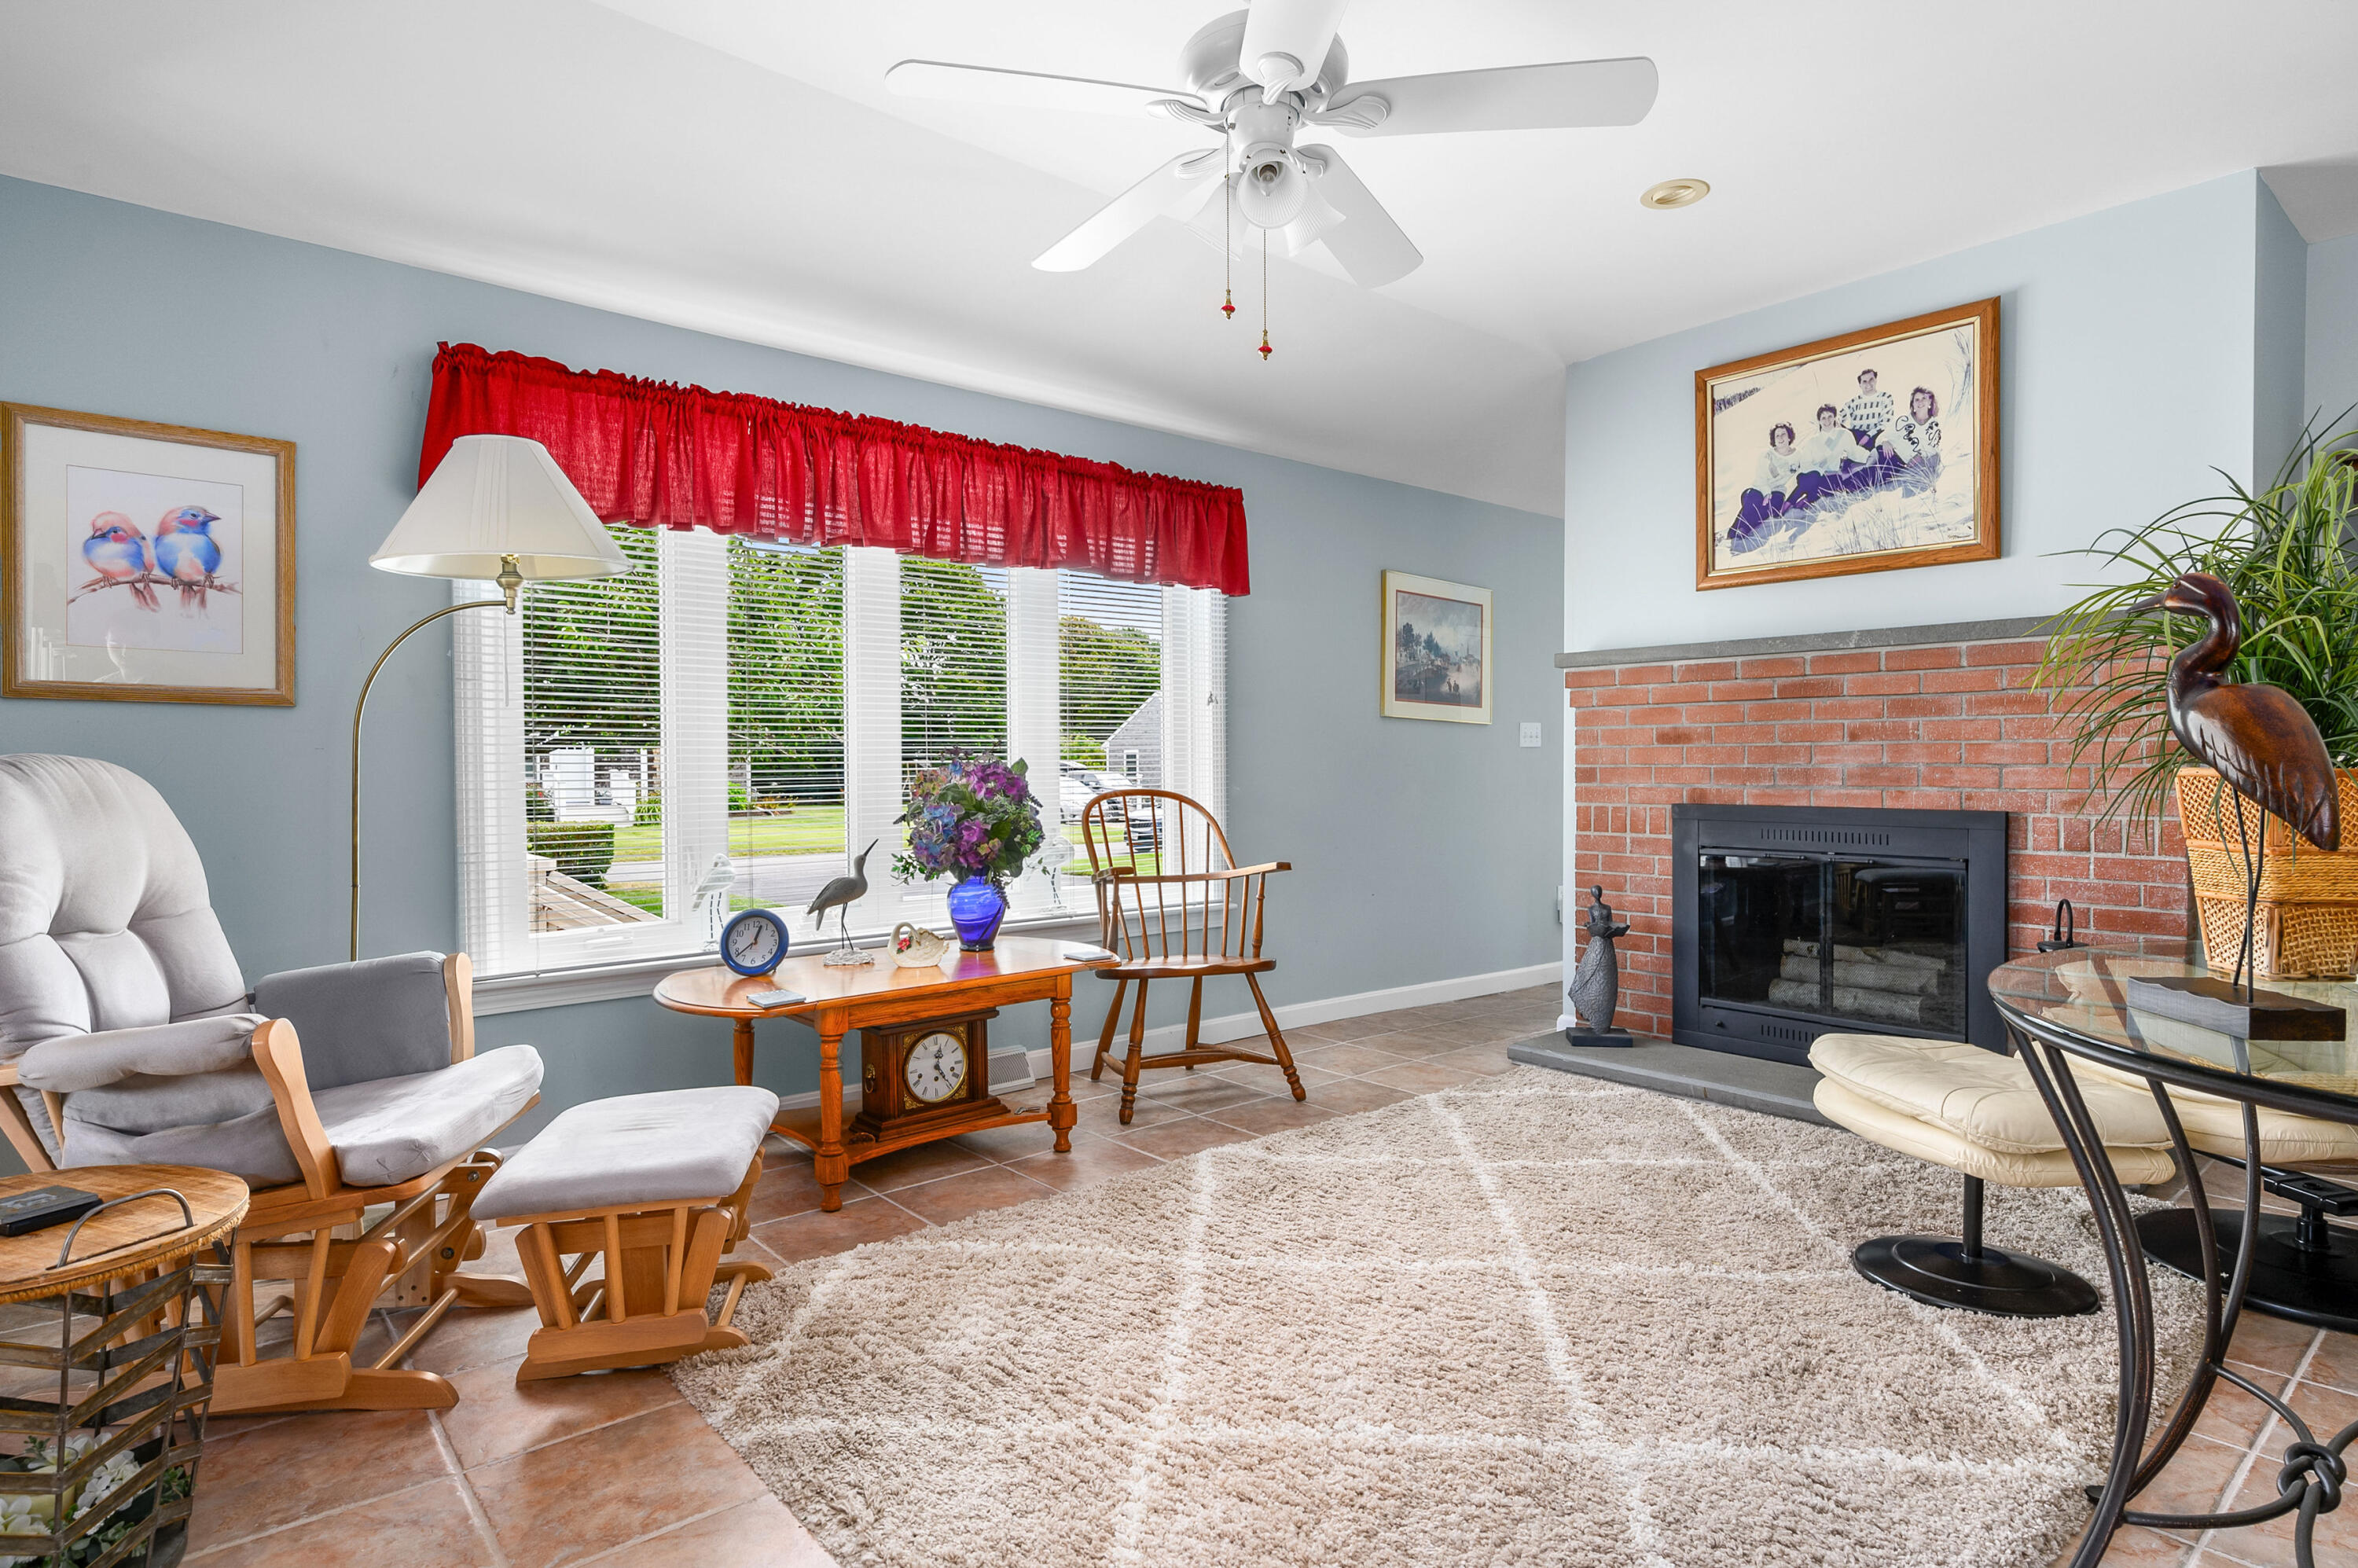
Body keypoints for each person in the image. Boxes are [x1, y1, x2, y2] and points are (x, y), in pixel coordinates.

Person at [1729, 423, 1805, 553]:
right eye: (1777, 436)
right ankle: (1742, 529)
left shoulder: (1798, 455)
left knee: (1774, 507)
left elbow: (1800, 475)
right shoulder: (1766, 455)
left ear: (1789, 437)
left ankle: (1739, 528)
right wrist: (1766, 493)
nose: (1780, 438)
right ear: (1774, 440)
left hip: (1778, 491)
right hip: (1759, 489)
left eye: (1783, 434)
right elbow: (1760, 478)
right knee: (1753, 500)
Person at [1839, 368, 1902, 489]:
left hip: (1876, 434)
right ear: (1860, 384)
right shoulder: (1854, 402)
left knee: (1879, 456)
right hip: (1856, 435)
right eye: (1864, 381)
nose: (1868, 384)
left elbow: (1886, 422)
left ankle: (1861, 478)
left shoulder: (1885, 397)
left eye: (1871, 380)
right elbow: (1840, 416)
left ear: (1876, 380)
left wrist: (1868, 435)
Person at [1796, 403, 1873, 500]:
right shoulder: (1812, 441)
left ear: (1835, 418)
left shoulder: (1844, 434)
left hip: (1834, 477)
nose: (1827, 421)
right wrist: (1822, 471)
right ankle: (1798, 501)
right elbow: (1805, 464)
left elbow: (1854, 452)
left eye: (1830, 417)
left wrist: (1870, 456)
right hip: (1815, 476)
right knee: (1811, 481)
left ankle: (1805, 500)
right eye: (1823, 418)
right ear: (1819, 421)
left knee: (1840, 480)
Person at [1887, 385, 1943, 493]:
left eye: (1924, 398)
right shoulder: (1904, 420)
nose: (1920, 402)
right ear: (1913, 404)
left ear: (1930, 402)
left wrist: (1920, 455)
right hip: (1891, 456)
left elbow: (1936, 447)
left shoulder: (1935, 424)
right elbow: (1885, 435)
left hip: (1907, 466)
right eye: (1917, 400)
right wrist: (1885, 441)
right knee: (1868, 475)